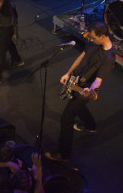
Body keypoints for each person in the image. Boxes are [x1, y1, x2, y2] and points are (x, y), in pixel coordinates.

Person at [45, 22, 115, 161]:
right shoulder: (93, 42)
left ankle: (63, 154)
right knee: (76, 105)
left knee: (67, 117)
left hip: (86, 88)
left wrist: (91, 90)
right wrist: (68, 73)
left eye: (94, 38)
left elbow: (98, 80)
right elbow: (82, 57)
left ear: (102, 36)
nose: (90, 40)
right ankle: (91, 125)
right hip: (75, 79)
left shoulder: (108, 58)